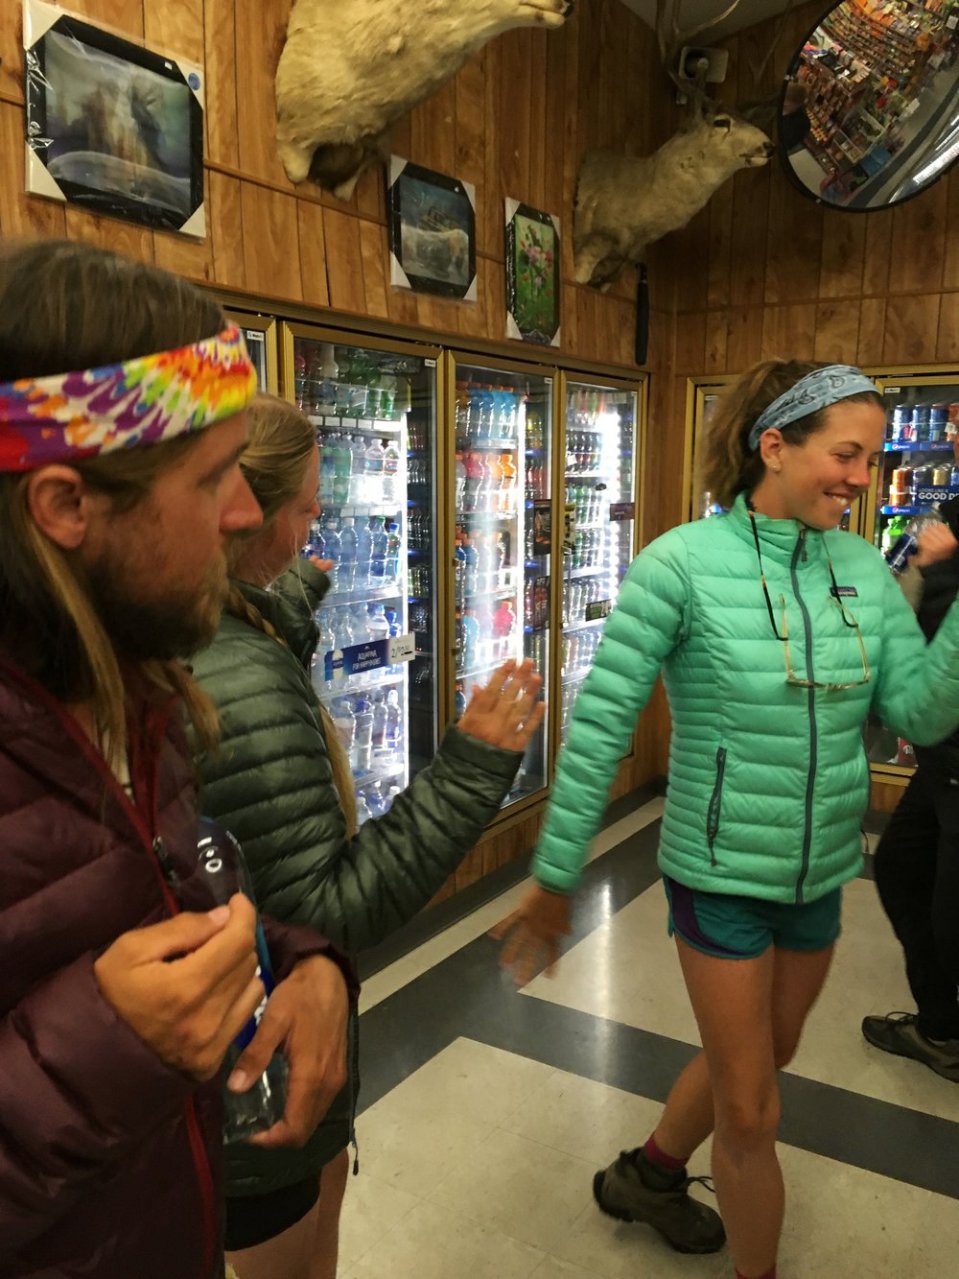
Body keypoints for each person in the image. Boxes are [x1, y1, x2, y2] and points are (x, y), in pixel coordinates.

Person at [495, 361, 959, 1279]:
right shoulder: (678, 565)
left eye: (868, 459)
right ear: (773, 445)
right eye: (845, 453)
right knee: (751, 1111)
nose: (860, 479)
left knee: (764, 1052)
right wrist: (554, 876)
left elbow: (920, 713)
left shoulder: (861, 569)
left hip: (821, 872)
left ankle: (648, 1171)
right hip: (715, 874)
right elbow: (599, 727)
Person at [0, 240, 356, 1278]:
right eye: (211, 479)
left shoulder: (128, 685)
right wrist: (107, 1043)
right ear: (65, 506)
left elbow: (154, 905)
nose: (246, 514)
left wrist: (306, 963)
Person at [190, 393, 545, 1279]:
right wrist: (470, 766)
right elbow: (327, 905)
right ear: (245, 512)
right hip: (259, 1075)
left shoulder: (219, 637)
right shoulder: (241, 673)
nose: (317, 528)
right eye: (308, 509)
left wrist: (294, 588)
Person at [863, 502, 959, 1079]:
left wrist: (942, 571)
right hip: (943, 761)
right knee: (899, 869)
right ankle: (941, 1025)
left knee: (949, 919)